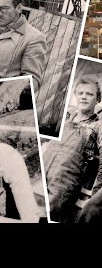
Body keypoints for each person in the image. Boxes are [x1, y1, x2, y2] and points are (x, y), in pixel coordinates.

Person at [43, 75, 102, 223]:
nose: (84, 97)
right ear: (75, 95)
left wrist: (91, 199)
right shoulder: (64, 119)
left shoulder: (98, 126)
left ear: (98, 99)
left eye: (89, 94)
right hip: (43, 176)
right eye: (80, 93)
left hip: (65, 188)